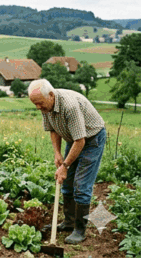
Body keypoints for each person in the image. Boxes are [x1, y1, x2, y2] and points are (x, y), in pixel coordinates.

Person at [28, 79, 106, 244]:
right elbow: (53, 129)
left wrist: (65, 166)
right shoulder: (45, 106)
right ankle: (69, 222)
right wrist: (57, 153)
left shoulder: (69, 106)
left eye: (40, 103)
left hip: (92, 140)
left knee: (81, 185)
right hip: (74, 138)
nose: (38, 107)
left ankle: (79, 230)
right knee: (67, 182)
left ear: (51, 95)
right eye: (35, 104)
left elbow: (80, 141)